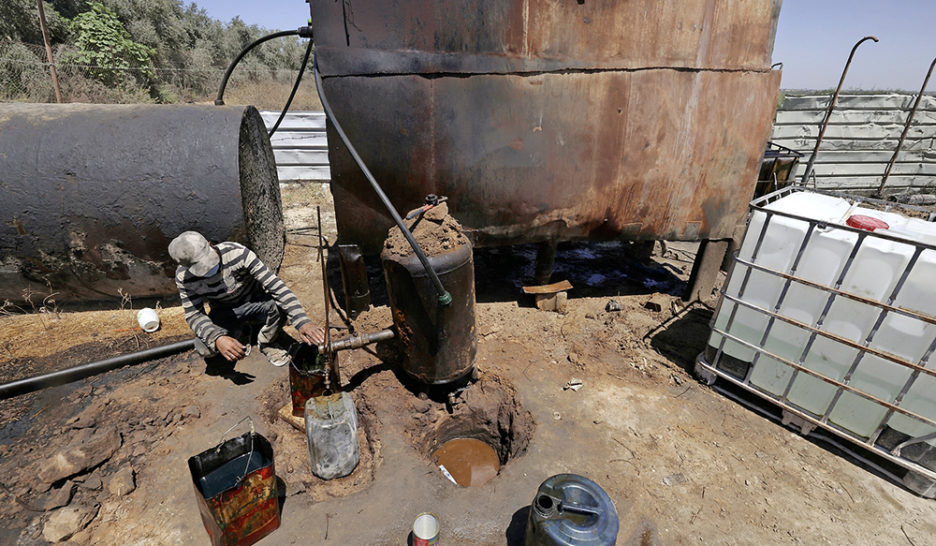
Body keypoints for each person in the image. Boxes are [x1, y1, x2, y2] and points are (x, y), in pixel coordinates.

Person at [168, 231, 325, 368]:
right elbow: (194, 314)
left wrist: (302, 321)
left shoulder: (238, 253)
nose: (208, 270)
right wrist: (218, 339)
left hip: (257, 304)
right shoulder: (184, 278)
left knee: (280, 306)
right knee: (204, 347)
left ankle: (267, 342)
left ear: (210, 244)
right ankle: (240, 332)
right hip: (225, 312)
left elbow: (276, 287)